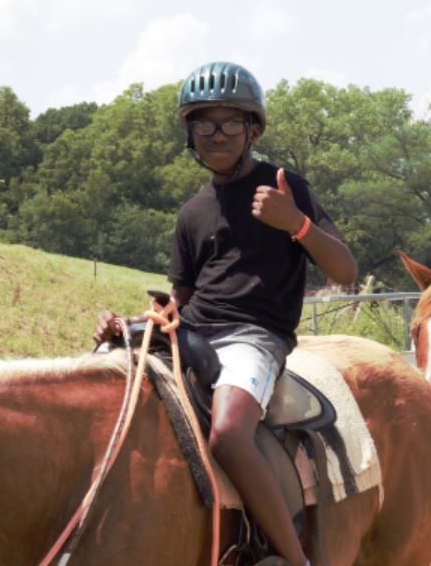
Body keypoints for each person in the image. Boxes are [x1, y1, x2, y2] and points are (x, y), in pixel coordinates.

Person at [94, 61, 357, 566]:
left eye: (230, 122)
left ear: (252, 129)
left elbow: (345, 269)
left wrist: (295, 223)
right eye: (203, 124)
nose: (216, 135)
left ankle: (293, 560)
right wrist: (135, 322)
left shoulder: (286, 188)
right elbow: (183, 301)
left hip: (255, 338)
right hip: (195, 330)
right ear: (190, 134)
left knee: (229, 434)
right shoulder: (192, 212)